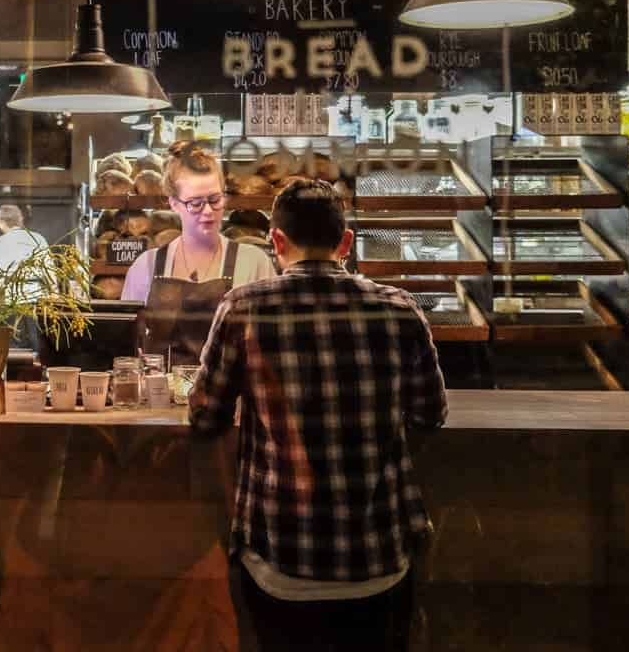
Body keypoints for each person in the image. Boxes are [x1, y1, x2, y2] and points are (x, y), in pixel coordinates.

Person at [190, 179, 448, 652]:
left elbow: (206, 417)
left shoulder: (244, 308)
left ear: (276, 241)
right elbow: (431, 414)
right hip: (379, 558)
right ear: (345, 242)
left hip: (278, 561)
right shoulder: (400, 308)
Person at [121, 143, 276, 367]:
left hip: (232, 399)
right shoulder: (145, 267)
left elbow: (269, 345)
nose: (207, 211)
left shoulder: (253, 263)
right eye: (195, 203)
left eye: (215, 200)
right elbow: (128, 347)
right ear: (174, 204)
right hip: (158, 399)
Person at [0, 204, 48, 276]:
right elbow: (50, 271)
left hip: (8, 286)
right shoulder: (39, 239)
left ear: (1, 222)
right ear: (20, 220)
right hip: (37, 286)